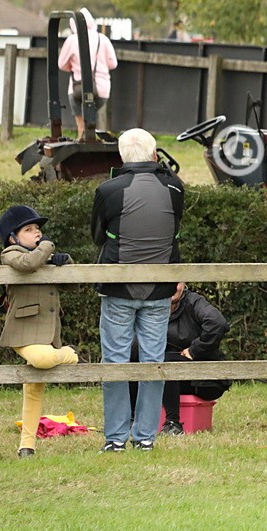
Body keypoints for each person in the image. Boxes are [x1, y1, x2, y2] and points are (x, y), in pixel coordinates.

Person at [91, 129, 185, 452]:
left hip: (118, 286)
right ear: (154, 154)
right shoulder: (175, 188)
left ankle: (115, 439)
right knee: (153, 361)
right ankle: (145, 436)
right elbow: (174, 231)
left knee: (115, 362)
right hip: (159, 288)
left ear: (121, 156)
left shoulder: (108, 190)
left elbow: (97, 235)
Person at [0, 206, 79, 458]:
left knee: (34, 388)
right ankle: (71, 354)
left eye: (38, 229)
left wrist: (64, 262)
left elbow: (74, 287)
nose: (37, 233)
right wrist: (47, 247)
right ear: (13, 238)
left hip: (48, 333)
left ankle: (27, 446)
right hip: (22, 331)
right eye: (29, 229)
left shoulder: (44, 256)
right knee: (43, 359)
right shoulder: (11, 253)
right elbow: (28, 263)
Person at [129, 282, 231, 435]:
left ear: (184, 284)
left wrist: (195, 350)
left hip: (203, 380)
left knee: (166, 362)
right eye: (165, 282)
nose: (171, 287)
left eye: (175, 282)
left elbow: (218, 323)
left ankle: (173, 423)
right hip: (159, 378)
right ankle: (131, 421)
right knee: (133, 360)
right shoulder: (147, 307)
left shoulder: (194, 302)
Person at [58, 7, 118, 139]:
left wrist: (74, 67)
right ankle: (92, 138)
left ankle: (83, 139)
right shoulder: (103, 39)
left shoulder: (72, 40)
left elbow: (61, 64)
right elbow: (113, 64)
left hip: (77, 88)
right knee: (91, 119)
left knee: (81, 125)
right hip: (101, 89)